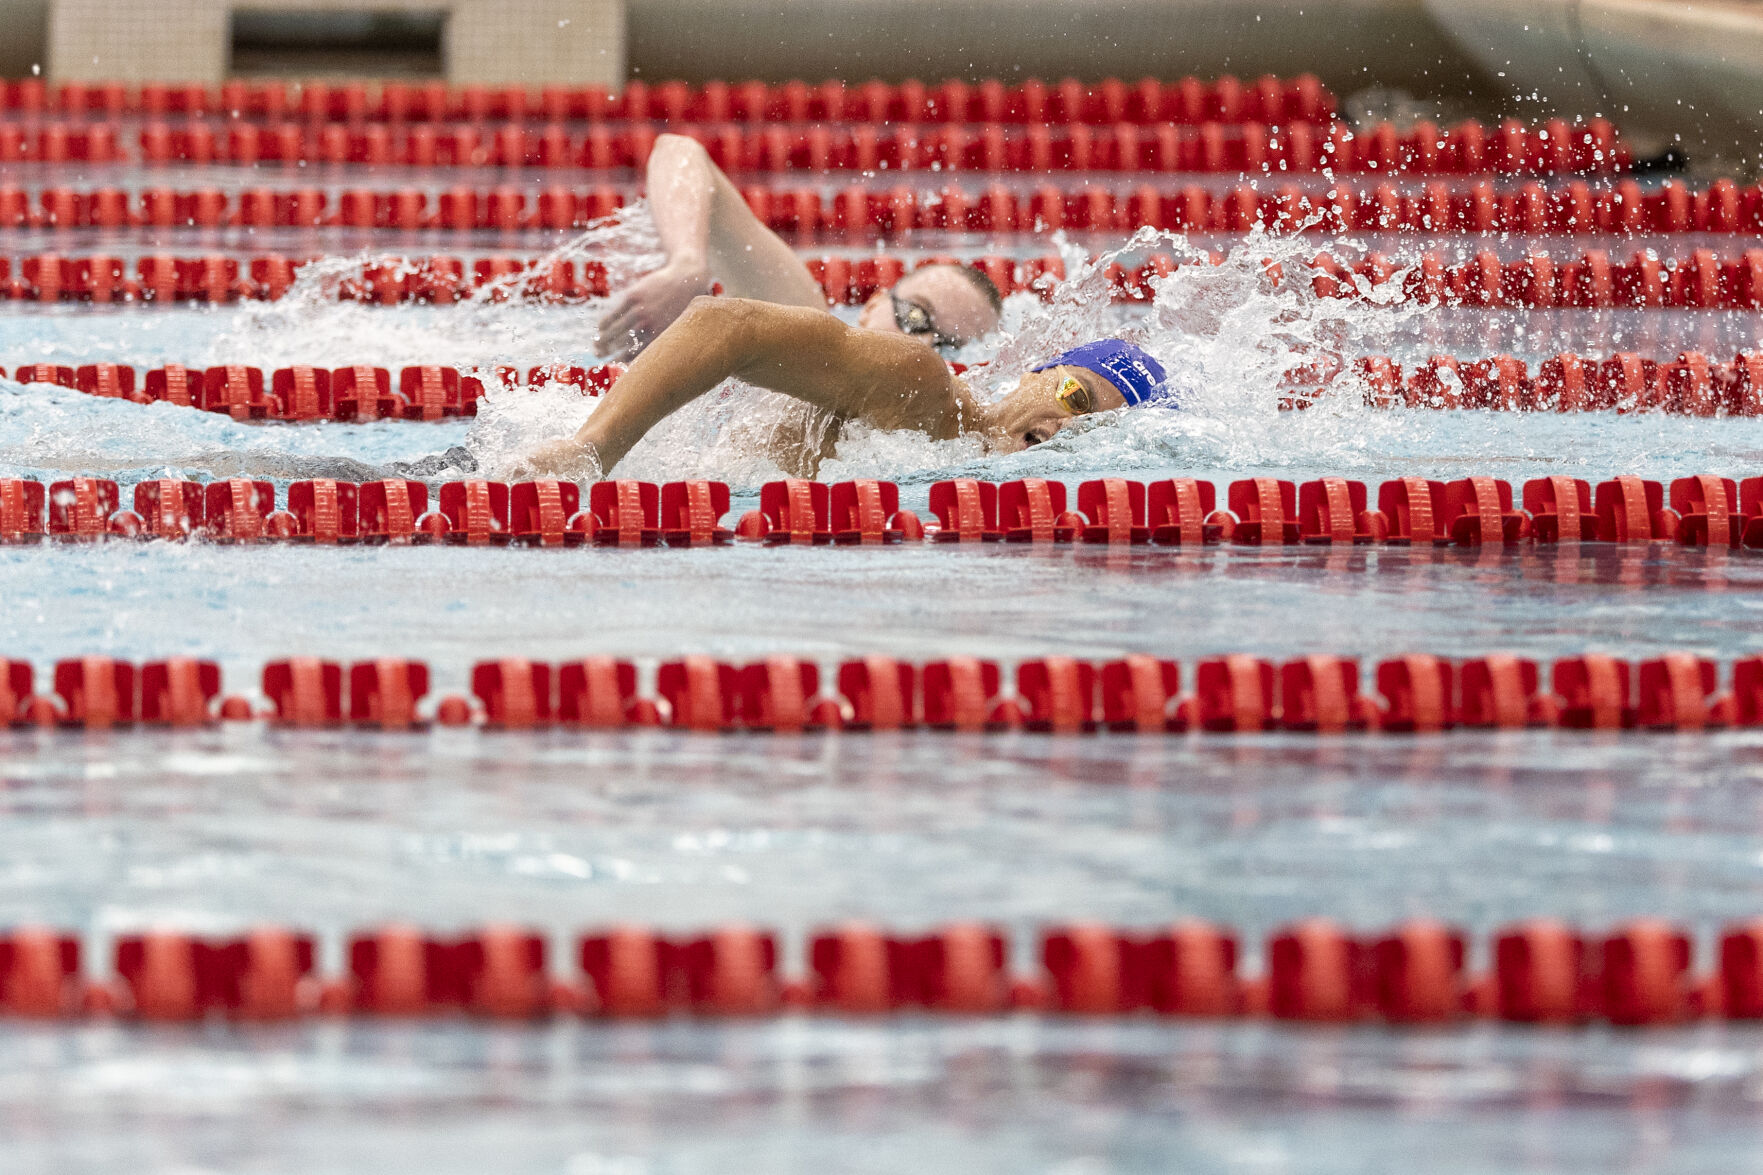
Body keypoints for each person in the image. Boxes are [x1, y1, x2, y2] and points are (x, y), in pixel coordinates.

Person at [517, 295, 1170, 478]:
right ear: (1037, 372)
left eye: (1094, 429)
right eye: (1075, 398)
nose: (1064, 430)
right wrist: (593, 448)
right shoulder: (918, 388)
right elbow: (726, 323)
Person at [594, 133, 1004, 361]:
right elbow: (678, 151)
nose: (925, 345)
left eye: (951, 347)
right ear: (872, 306)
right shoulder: (806, 340)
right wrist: (686, 263)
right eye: (917, 317)